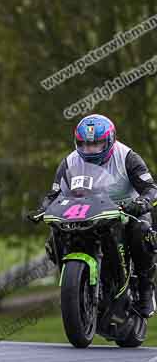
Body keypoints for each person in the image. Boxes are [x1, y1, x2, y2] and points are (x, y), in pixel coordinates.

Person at [30, 114, 157, 317]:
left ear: (110, 140)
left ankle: (145, 290)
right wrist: (43, 208)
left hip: (126, 210)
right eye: (84, 144)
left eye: (96, 144)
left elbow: (151, 189)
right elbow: (54, 194)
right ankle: (74, 284)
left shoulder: (127, 157)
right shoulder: (70, 161)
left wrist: (141, 203)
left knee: (141, 232)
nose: (90, 149)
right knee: (55, 232)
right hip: (87, 212)